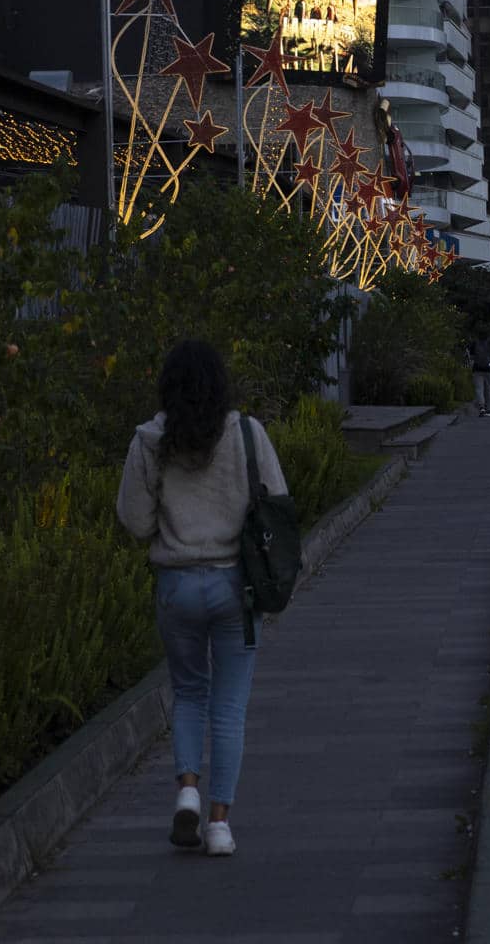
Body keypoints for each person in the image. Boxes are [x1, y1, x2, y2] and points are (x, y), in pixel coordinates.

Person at [116, 340, 284, 857]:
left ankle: (186, 789)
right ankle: (219, 825)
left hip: (177, 587)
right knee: (229, 708)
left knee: (188, 693)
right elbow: (278, 502)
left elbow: (135, 520)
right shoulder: (247, 436)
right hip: (236, 585)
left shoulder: (148, 441)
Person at [468, 332, 490, 417]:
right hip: (488, 369)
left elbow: (471, 357)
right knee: (488, 389)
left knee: (479, 389)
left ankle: (482, 407)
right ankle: (488, 409)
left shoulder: (474, 343)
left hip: (477, 369)